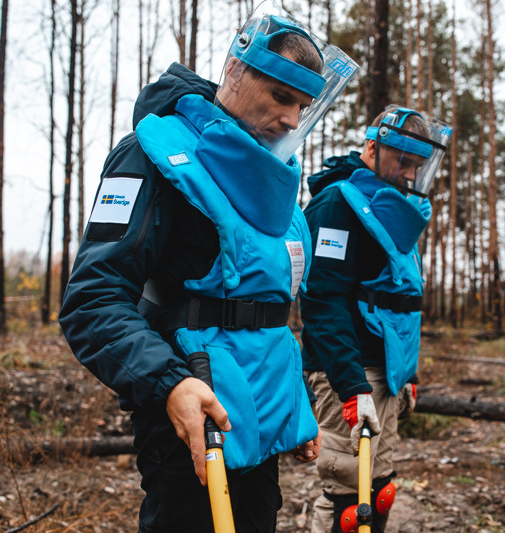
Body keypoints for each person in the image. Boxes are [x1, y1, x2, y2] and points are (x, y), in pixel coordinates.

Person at [58, 2, 358, 531]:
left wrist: (293, 404)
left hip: (263, 407)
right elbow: (92, 299)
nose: (291, 119)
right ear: (234, 73)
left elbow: (266, 310)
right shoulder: (154, 154)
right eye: (280, 96)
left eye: (303, 105)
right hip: (188, 404)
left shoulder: (277, 179)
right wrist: (169, 384)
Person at [299, 105, 452, 533]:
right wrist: (351, 388)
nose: (408, 174)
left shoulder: (391, 209)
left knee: (378, 489)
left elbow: (399, 298)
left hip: (386, 372)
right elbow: (322, 302)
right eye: (402, 161)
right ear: (371, 147)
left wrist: (408, 373)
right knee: (349, 497)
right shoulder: (335, 205)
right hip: (348, 373)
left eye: (416, 166)